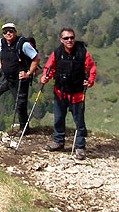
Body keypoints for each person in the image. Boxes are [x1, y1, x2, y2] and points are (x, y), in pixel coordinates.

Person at [40, 27, 97, 159]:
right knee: (58, 118)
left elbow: (91, 68)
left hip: (77, 94)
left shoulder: (82, 53)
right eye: (66, 38)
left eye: (71, 37)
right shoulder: (57, 53)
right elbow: (50, 67)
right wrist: (45, 77)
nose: (69, 40)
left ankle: (80, 147)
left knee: (79, 121)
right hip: (60, 93)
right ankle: (58, 141)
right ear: (61, 40)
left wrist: (90, 81)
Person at [0, 22, 41, 132]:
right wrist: (0, 64)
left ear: (15, 32)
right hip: (6, 77)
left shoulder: (23, 44)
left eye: (10, 31)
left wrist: (28, 73)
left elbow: (36, 59)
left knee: (20, 103)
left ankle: (24, 128)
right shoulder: (2, 42)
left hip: (19, 79)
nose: (8, 34)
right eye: (5, 32)